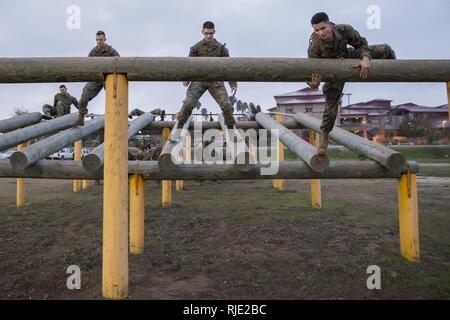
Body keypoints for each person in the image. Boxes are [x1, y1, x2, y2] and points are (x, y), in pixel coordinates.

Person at [306, 12, 396, 155]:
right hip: (333, 71)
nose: (320, 33)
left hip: (348, 56)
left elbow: (361, 44)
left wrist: (365, 58)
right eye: (316, 30)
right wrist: (314, 84)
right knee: (330, 107)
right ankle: (324, 137)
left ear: (330, 24)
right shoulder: (314, 47)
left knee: (385, 49)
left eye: (323, 28)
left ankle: (396, 68)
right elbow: (314, 71)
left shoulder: (344, 30)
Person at [176, 21, 237, 131]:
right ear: (202, 32)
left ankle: (230, 127)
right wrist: (186, 79)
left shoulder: (221, 49)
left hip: (216, 81)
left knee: (226, 105)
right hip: (199, 80)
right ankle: (179, 126)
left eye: (211, 33)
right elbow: (189, 65)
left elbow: (229, 67)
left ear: (214, 32)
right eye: (206, 33)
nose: (208, 36)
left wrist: (233, 84)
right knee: (188, 103)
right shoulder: (196, 48)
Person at [75, 30, 120, 126]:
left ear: (105, 40)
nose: (99, 42)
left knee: (114, 98)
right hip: (96, 78)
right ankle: (80, 118)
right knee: (84, 97)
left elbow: (120, 63)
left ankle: (119, 119)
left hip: (108, 78)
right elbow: (88, 65)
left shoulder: (111, 51)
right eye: (97, 40)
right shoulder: (93, 52)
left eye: (101, 39)